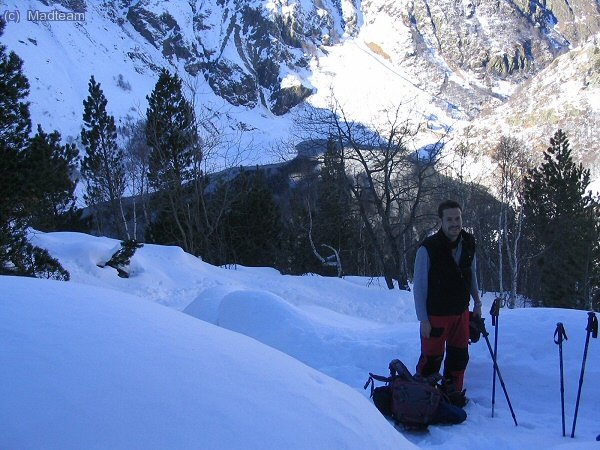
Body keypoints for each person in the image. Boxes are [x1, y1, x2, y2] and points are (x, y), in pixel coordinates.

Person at [413, 200, 482, 407]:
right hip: (436, 316)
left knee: (459, 357)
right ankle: (423, 397)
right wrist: (423, 319)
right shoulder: (428, 249)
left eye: (458, 218)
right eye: (449, 219)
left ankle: (451, 395)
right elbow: (419, 287)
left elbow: (471, 274)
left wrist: (477, 302)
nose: (455, 223)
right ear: (441, 221)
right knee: (431, 360)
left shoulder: (469, 242)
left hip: (461, 313)